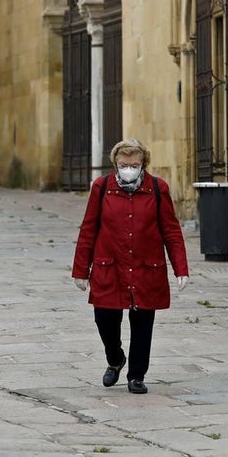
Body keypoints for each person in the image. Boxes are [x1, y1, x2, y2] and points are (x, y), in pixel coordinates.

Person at [71, 138, 189, 394]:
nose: (129, 168)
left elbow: (171, 230)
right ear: (115, 163)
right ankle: (115, 359)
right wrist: (80, 270)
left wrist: (181, 268)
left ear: (143, 164)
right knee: (104, 318)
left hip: (147, 267)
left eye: (134, 164)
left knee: (143, 322)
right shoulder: (102, 188)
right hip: (109, 266)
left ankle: (136, 375)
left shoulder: (158, 188)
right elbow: (89, 229)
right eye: (124, 164)